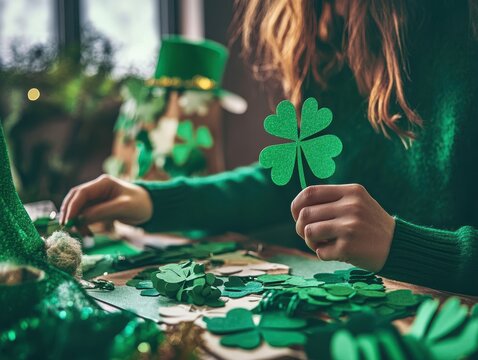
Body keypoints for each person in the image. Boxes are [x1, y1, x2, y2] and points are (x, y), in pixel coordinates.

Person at [60, 0, 478, 295]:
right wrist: (152, 200)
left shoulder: (463, 25)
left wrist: (399, 244)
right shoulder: (324, 31)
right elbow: (293, 185)